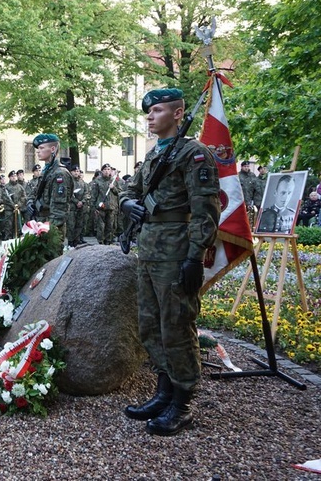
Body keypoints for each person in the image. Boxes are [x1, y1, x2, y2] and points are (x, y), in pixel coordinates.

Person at [119, 88, 220, 436]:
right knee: (150, 324)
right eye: (148, 112)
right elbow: (131, 190)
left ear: (178, 114)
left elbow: (206, 209)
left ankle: (182, 402)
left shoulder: (194, 154)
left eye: (157, 111)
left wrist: (195, 256)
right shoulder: (153, 155)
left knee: (177, 326)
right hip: (148, 251)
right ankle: (163, 392)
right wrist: (125, 204)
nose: (150, 117)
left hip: (177, 252)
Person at [27, 134, 71, 239]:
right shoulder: (46, 171)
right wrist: (30, 202)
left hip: (50, 229)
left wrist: (48, 231)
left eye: (42, 148)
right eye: (38, 148)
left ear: (52, 149)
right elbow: (34, 193)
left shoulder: (60, 173)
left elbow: (59, 210)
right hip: (41, 224)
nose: (38, 151)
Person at [90, 163, 121, 245]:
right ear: (102, 171)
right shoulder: (97, 181)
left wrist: (113, 188)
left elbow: (120, 193)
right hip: (101, 208)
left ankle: (108, 242)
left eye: (108, 170)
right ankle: (100, 242)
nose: (107, 171)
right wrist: (94, 208)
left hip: (111, 207)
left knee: (110, 226)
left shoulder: (114, 181)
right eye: (105, 170)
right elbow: (93, 195)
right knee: (100, 227)